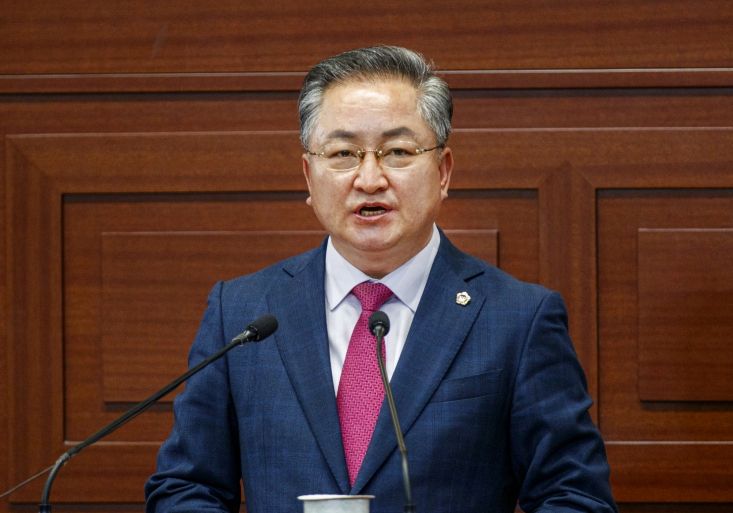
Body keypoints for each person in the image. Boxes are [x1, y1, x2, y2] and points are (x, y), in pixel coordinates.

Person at [145, 45, 617, 513]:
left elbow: (575, 497)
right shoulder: (242, 313)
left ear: (443, 172)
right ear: (309, 176)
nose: (369, 179)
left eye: (397, 152)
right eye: (343, 153)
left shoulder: (518, 319)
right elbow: (186, 488)